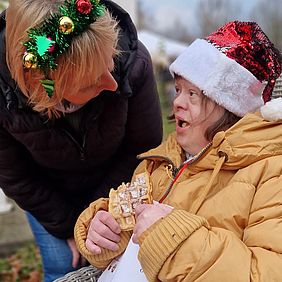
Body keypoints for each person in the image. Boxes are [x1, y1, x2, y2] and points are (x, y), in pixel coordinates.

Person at [71, 21, 282, 281]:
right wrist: (102, 231)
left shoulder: (271, 172)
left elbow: (268, 272)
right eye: (179, 89)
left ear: (229, 106)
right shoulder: (159, 162)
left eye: (193, 94)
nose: (178, 102)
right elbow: (125, 233)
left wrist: (172, 241)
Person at [0, 0, 163, 281]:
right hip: (47, 194)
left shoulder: (133, 61)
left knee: (114, 265)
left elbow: (141, 150)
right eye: (89, 82)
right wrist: (69, 226)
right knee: (62, 265)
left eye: (109, 63)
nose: (112, 84)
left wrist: (95, 216)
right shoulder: (5, 95)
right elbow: (16, 176)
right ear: (44, 84)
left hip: (115, 183)